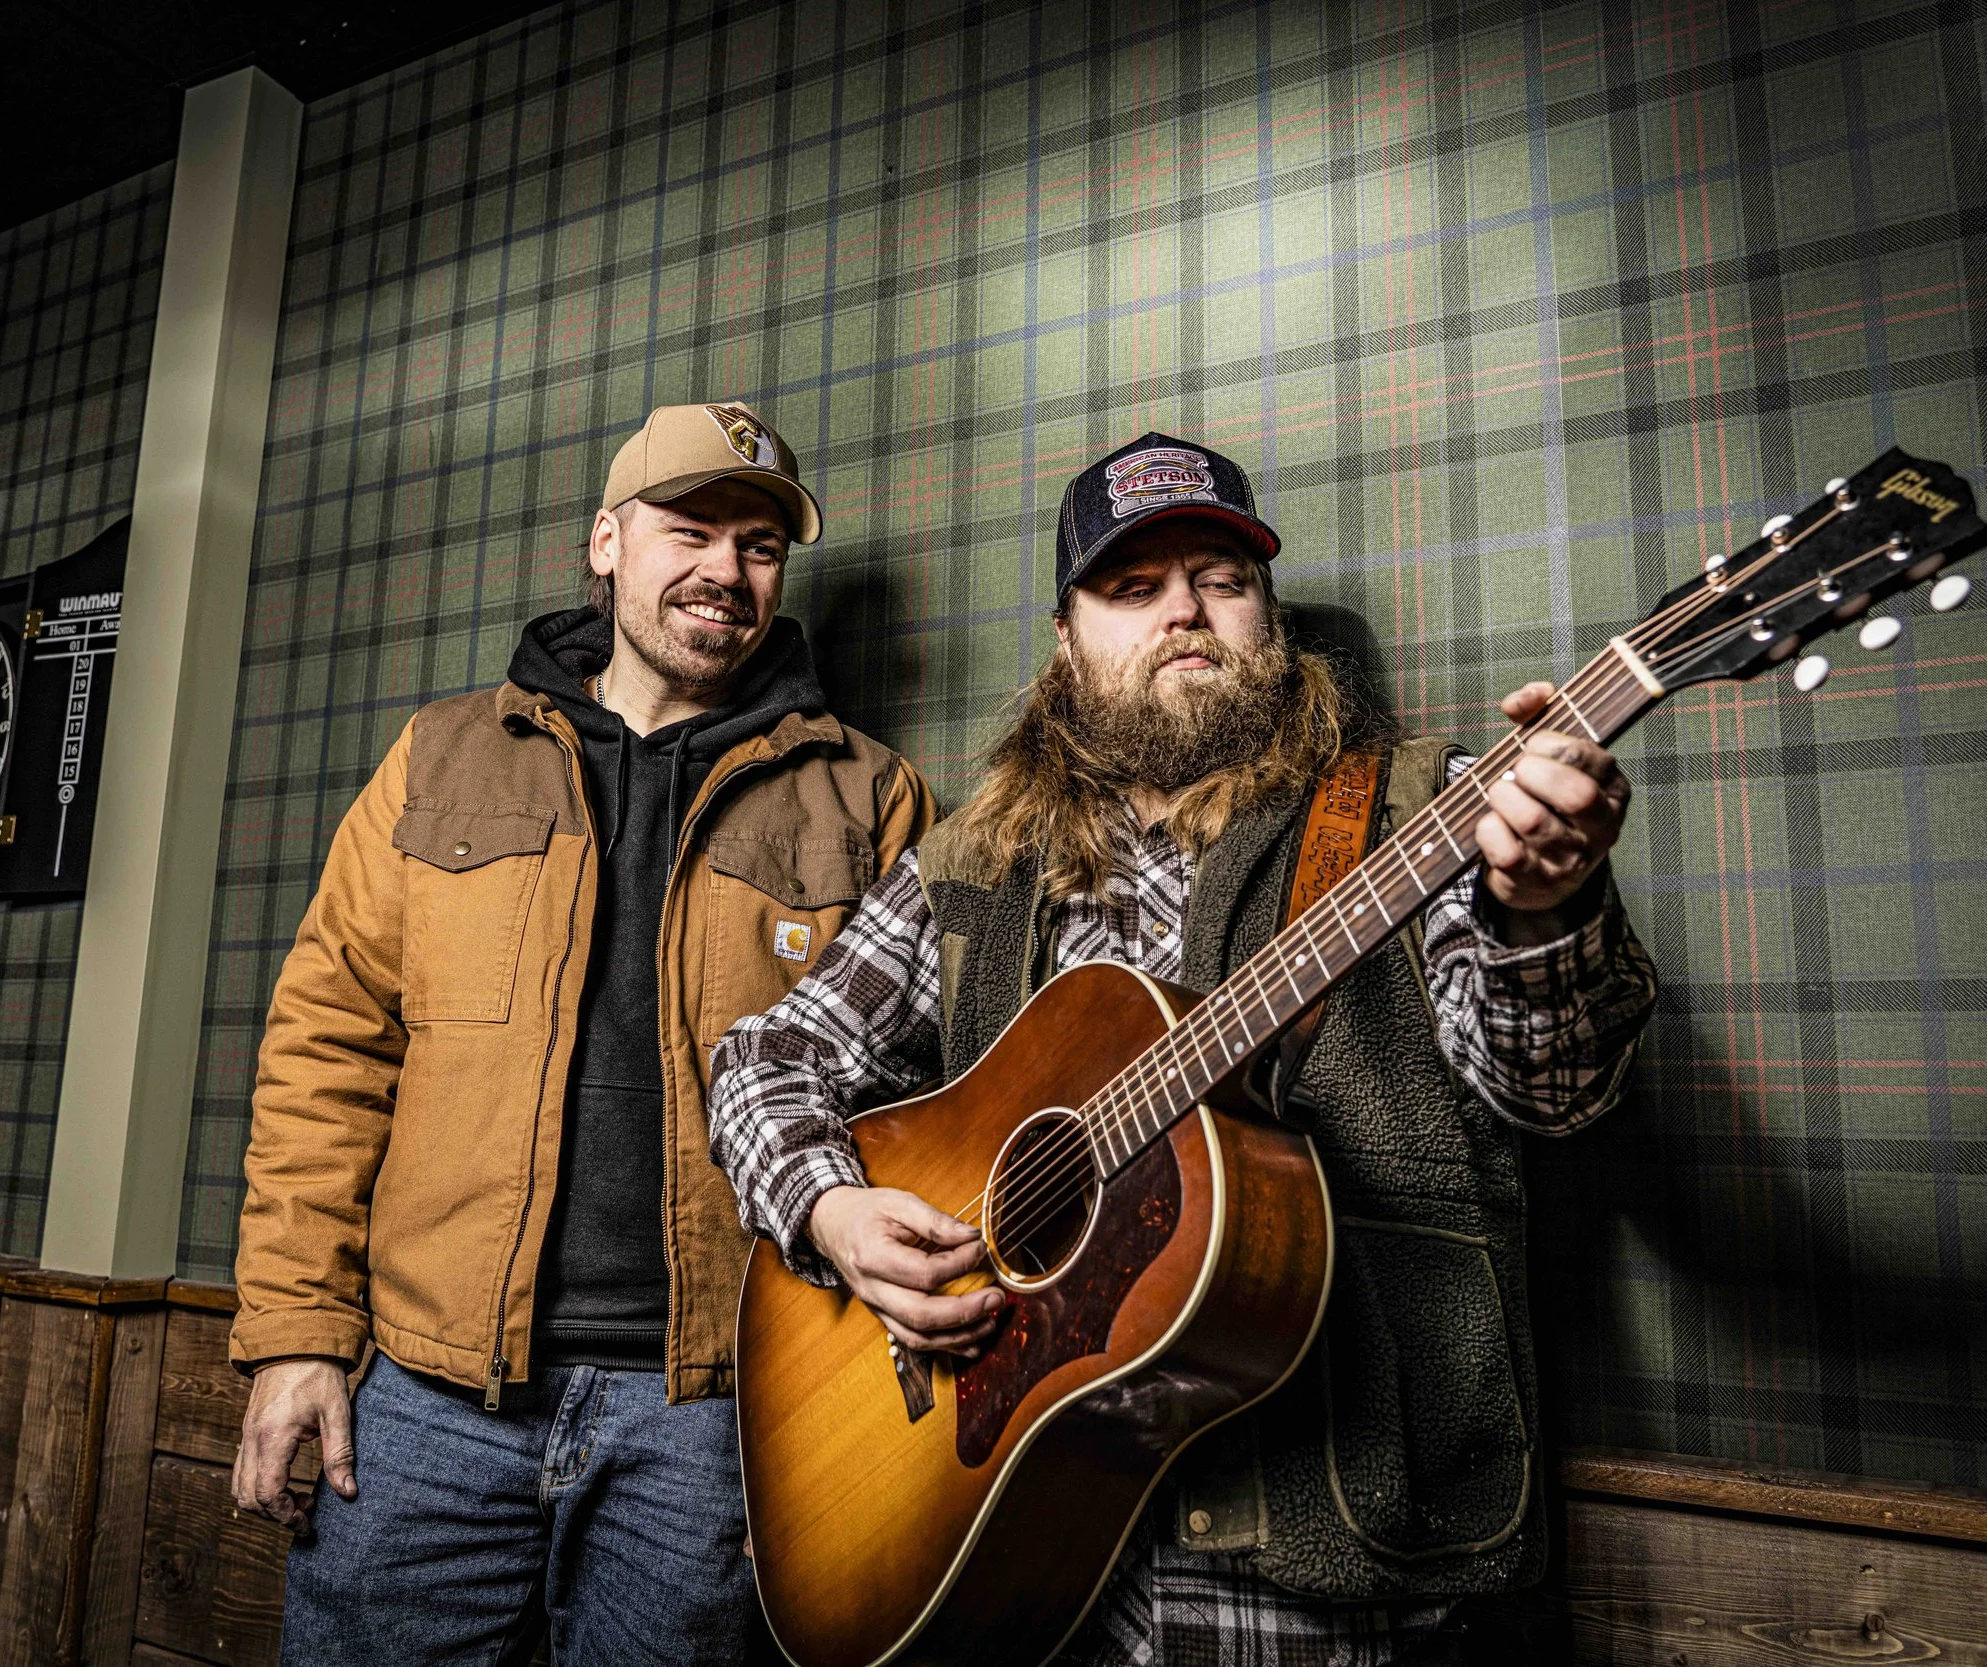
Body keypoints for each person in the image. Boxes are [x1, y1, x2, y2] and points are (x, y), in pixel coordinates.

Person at [707, 431, 1658, 1664]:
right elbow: (764, 1060)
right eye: (1132, 586)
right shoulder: (974, 862)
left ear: (1268, 616)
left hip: (1340, 1577)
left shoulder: (1429, 810)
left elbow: (1553, 1089)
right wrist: (830, 1211)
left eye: (1222, 578)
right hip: (1036, 1572)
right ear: (1067, 639)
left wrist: (1546, 911)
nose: (1185, 613)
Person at [228, 401, 934, 1665]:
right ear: (606, 542)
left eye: (760, 545)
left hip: (714, 1416)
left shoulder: (869, 795)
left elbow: (918, 1104)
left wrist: (841, 1410)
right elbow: (327, 1051)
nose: (726, 569)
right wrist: (295, 1335)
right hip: (425, 1404)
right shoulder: (441, 756)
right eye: (690, 531)